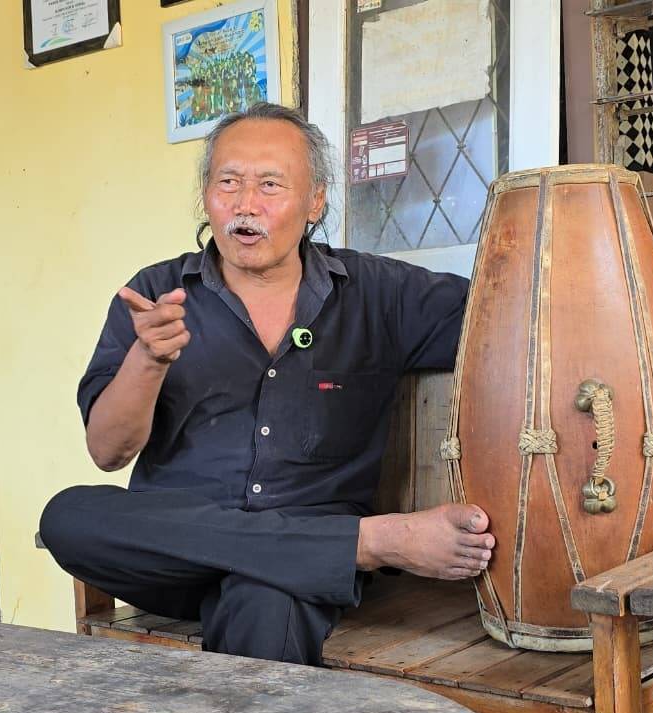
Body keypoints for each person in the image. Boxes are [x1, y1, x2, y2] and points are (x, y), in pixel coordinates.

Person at [39, 103, 494, 667]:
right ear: (206, 193)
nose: (245, 205)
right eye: (228, 182)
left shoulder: (381, 295)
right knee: (67, 516)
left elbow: (511, 313)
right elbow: (108, 453)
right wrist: (149, 358)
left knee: (268, 594)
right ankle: (370, 542)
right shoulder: (155, 293)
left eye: (270, 185)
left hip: (296, 571)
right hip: (174, 554)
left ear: (315, 201)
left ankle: (305, 553)